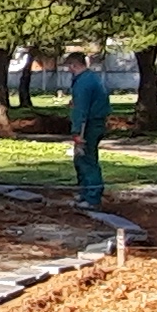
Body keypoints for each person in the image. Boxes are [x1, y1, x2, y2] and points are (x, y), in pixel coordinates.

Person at [64, 48, 115, 208]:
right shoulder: (91, 78)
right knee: (80, 159)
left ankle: (92, 197)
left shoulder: (83, 83)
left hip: (89, 125)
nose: (68, 70)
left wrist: (77, 132)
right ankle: (85, 192)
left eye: (69, 67)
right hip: (96, 122)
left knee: (87, 160)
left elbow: (81, 109)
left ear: (73, 65)